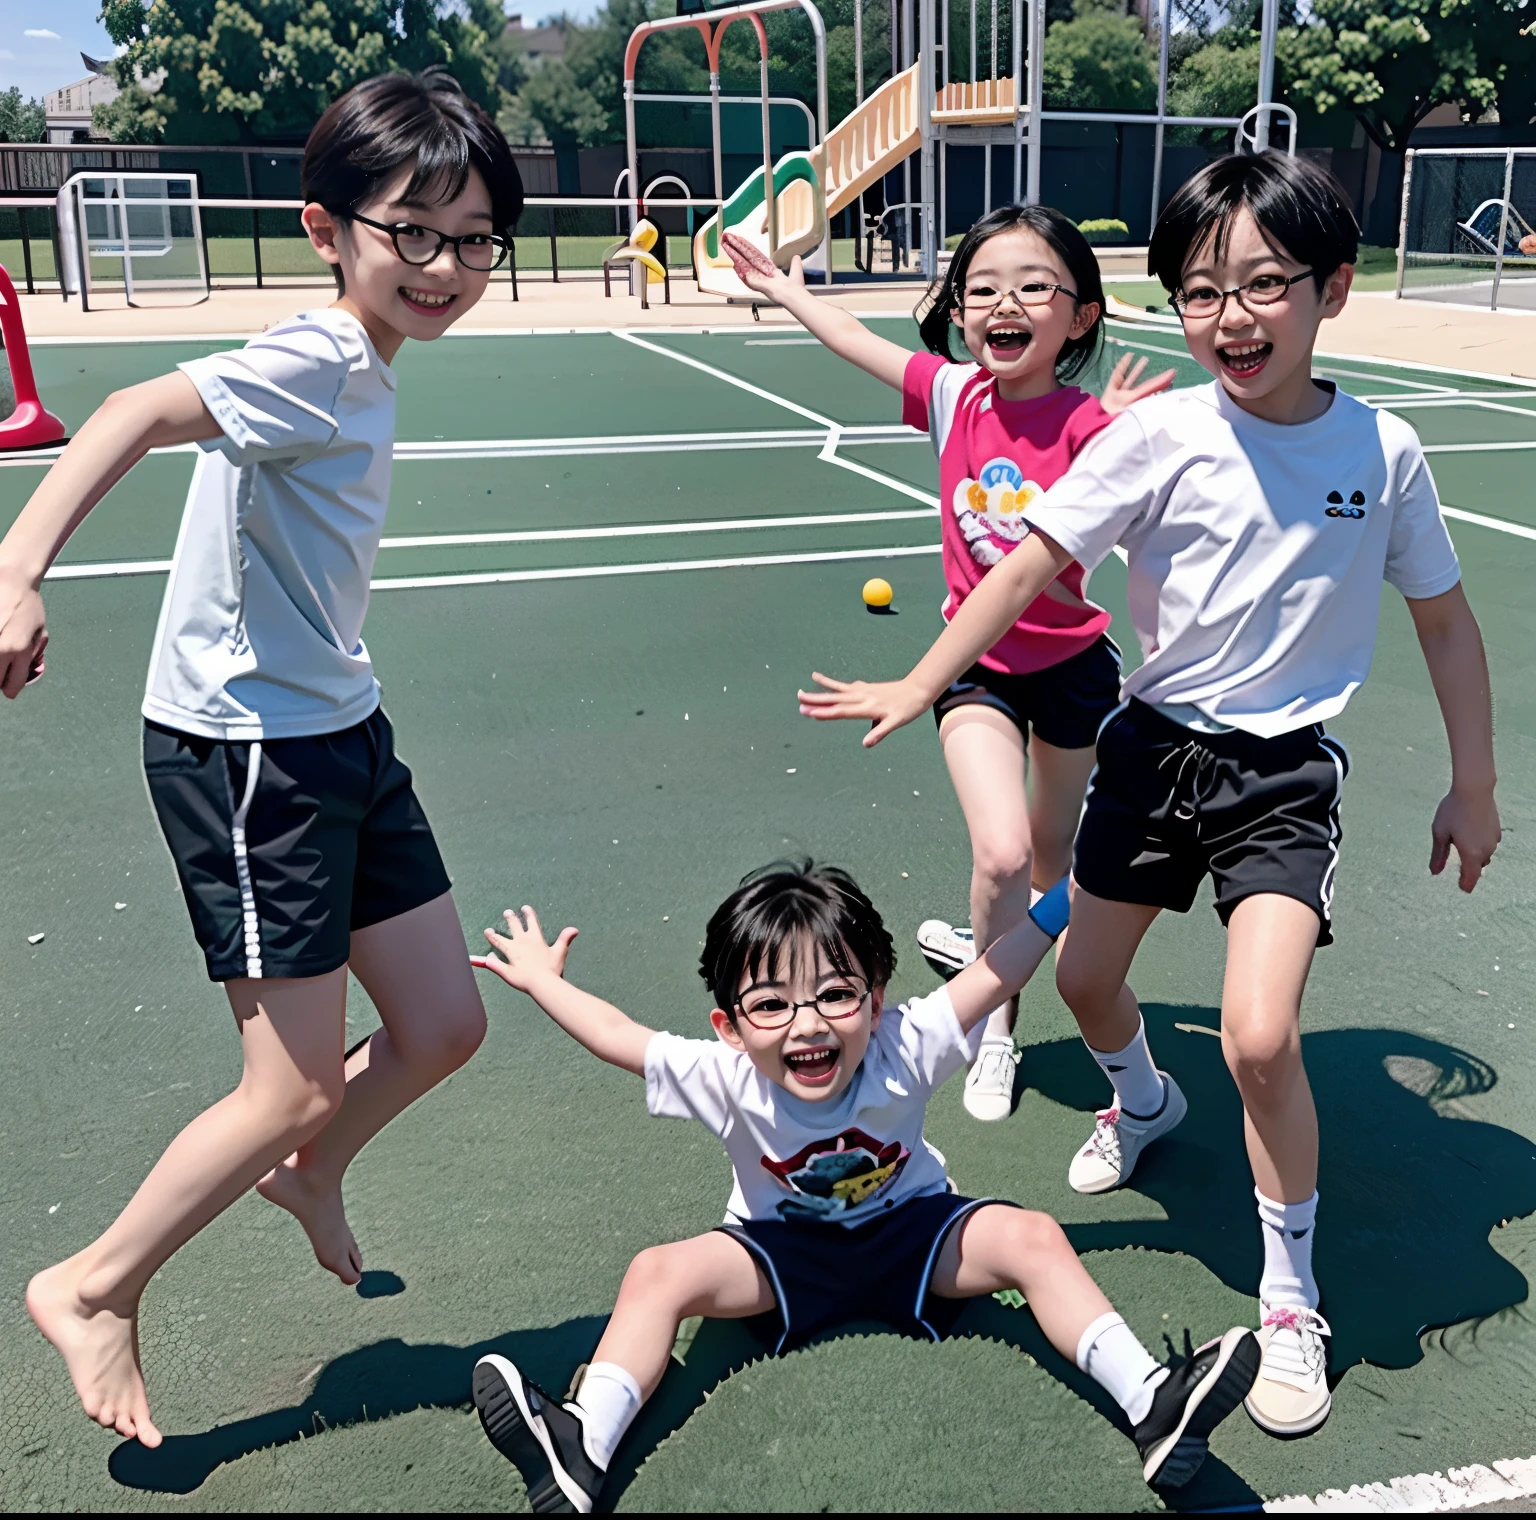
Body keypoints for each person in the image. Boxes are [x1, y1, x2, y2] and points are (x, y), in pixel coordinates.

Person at [795, 151, 1501, 1438]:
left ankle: (1290, 1295)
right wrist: (924, 679)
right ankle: (1145, 1097)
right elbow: (1016, 573)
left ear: (1333, 288)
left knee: (1261, 1034)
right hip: (1152, 752)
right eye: (1199, 291)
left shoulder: (1384, 452)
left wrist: (1476, 783)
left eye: (1264, 285)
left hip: (1282, 772)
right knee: (1081, 982)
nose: (1231, 317)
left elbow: (1447, 625)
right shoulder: (1161, 434)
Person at [0, 70, 524, 1448]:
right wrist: (15, 568)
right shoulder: (317, 360)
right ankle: (94, 1284)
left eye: (473, 237)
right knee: (283, 1079)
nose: (445, 265)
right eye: (411, 230)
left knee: (444, 1027)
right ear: (327, 228)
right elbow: (121, 412)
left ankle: (314, 1171)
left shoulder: (364, 366)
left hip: (339, 726)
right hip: (248, 755)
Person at [468, 864, 1260, 1512]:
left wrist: (1073, 887)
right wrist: (541, 981)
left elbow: (998, 969)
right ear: (729, 1028)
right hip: (777, 1256)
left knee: (1032, 1237)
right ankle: (581, 1444)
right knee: (656, 1273)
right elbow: (619, 1037)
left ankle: (1150, 1402)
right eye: (770, 1005)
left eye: (835, 995)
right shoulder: (722, 1077)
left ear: (877, 1000)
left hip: (917, 1233)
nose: (806, 1025)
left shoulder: (905, 1043)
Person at [723, 214, 1172, 1123]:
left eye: (1033, 285)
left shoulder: (1094, 427)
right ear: (960, 314)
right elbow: (855, 339)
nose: (1004, 302)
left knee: (1054, 864)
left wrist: (1115, 433)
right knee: (1002, 853)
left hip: (1075, 667)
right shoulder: (953, 397)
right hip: (977, 667)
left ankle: (993, 952)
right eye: (982, 288)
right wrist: (788, 291)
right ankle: (994, 1025)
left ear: (1081, 316)